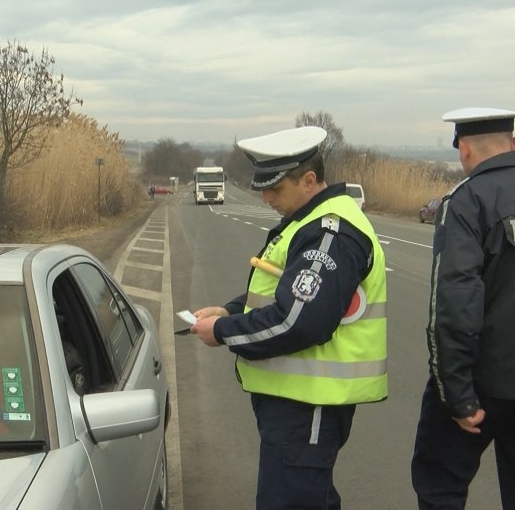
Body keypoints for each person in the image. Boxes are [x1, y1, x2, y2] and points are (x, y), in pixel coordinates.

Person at [190, 126, 388, 510]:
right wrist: (231, 309)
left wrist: (223, 331)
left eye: (276, 188)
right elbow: (288, 289)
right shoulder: (308, 221)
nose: (266, 198)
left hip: (308, 404)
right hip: (298, 402)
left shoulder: (331, 231)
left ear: (309, 180)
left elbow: (299, 320)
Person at [410, 108, 515, 509]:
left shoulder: (467, 201)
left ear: (465, 150)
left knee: (441, 487)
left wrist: (456, 396)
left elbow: (453, 308)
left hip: (480, 384)